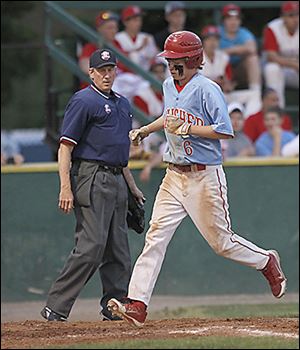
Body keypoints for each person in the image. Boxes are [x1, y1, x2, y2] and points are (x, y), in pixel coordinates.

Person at [107, 31, 287, 328]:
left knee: (222, 243)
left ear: (192, 59)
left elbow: (225, 130)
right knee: (155, 238)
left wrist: (189, 129)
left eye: (176, 60)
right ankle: (137, 304)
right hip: (174, 173)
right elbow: (169, 116)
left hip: (204, 175)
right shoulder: (168, 84)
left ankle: (265, 261)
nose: (170, 65)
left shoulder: (208, 88)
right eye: (169, 60)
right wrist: (146, 130)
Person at [40, 49, 145, 322]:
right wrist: (65, 187)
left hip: (117, 178)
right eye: (101, 70)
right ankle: (56, 306)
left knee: (119, 249)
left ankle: (115, 306)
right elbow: (65, 148)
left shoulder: (123, 104)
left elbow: (120, 154)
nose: (107, 74)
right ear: (91, 73)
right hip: (91, 176)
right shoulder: (84, 100)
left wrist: (131, 186)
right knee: (91, 245)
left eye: (111, 69)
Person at [200, 25, 261, 118]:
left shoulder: (223, 57)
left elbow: (228, 80)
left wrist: (228, 85)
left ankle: (247, 123)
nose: (212, 43)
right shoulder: (195, 57)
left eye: (215, 39)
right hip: (201, 98)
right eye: (209, 39)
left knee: (254, 95)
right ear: (203, 41)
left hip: (222, 95)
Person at [262, 1, 299, 108]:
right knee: (272, 69)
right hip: (281, 70)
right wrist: (295, 65)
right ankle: (277, 112)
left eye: (297, 14)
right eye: (291, 15)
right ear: (283, 17)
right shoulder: (273, 28)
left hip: (295, 72)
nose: (295, 19)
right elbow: (271, 56)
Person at [219, 3, 261, 92]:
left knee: (252, 58)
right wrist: (240, 49)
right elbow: (210, 53)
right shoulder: (217, 32)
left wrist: (229, 50)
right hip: (221, 72)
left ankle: (256, 93)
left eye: (236, 19)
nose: (233, 22)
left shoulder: (244, 33)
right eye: (229, 19)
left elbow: (252, 49)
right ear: (223, 21)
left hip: (239, 71)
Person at [78, 10, 120, 89]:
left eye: (115, 28)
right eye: (109, 28)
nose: (113, 31)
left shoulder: (117, 44)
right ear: (100, 29)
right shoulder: (91, 47)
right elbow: (85, 67)